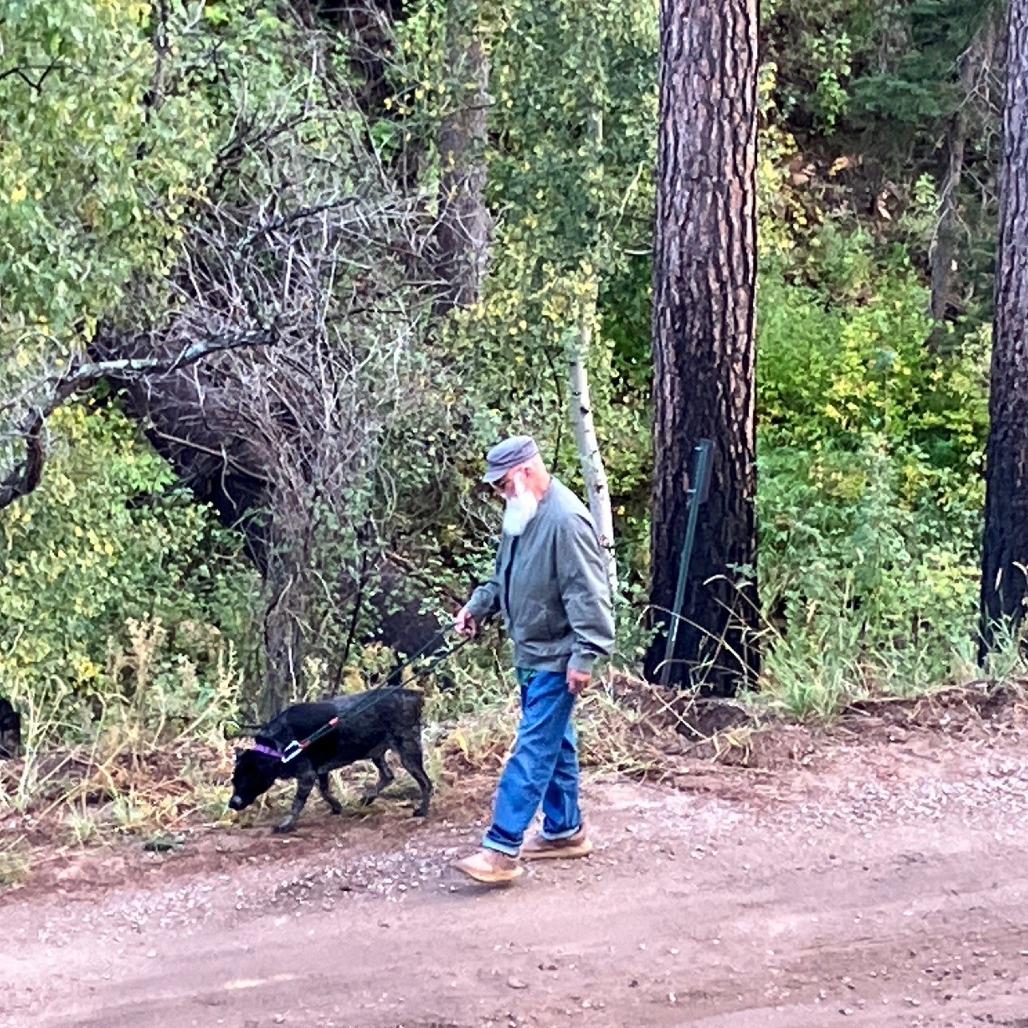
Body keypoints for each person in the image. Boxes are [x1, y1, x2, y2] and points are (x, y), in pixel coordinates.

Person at [452, 435, 615, 885]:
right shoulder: (521, 512)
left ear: (525, 471)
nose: (499, 493)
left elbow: (589, 595)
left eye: (503, 483)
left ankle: (502, 848)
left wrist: (585, 656)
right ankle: (564, 831)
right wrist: (477, 607)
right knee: (555, 742)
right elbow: (503, 576)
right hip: (530, 651)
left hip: (557, 657)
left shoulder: (566, 521)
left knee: (533, 748)